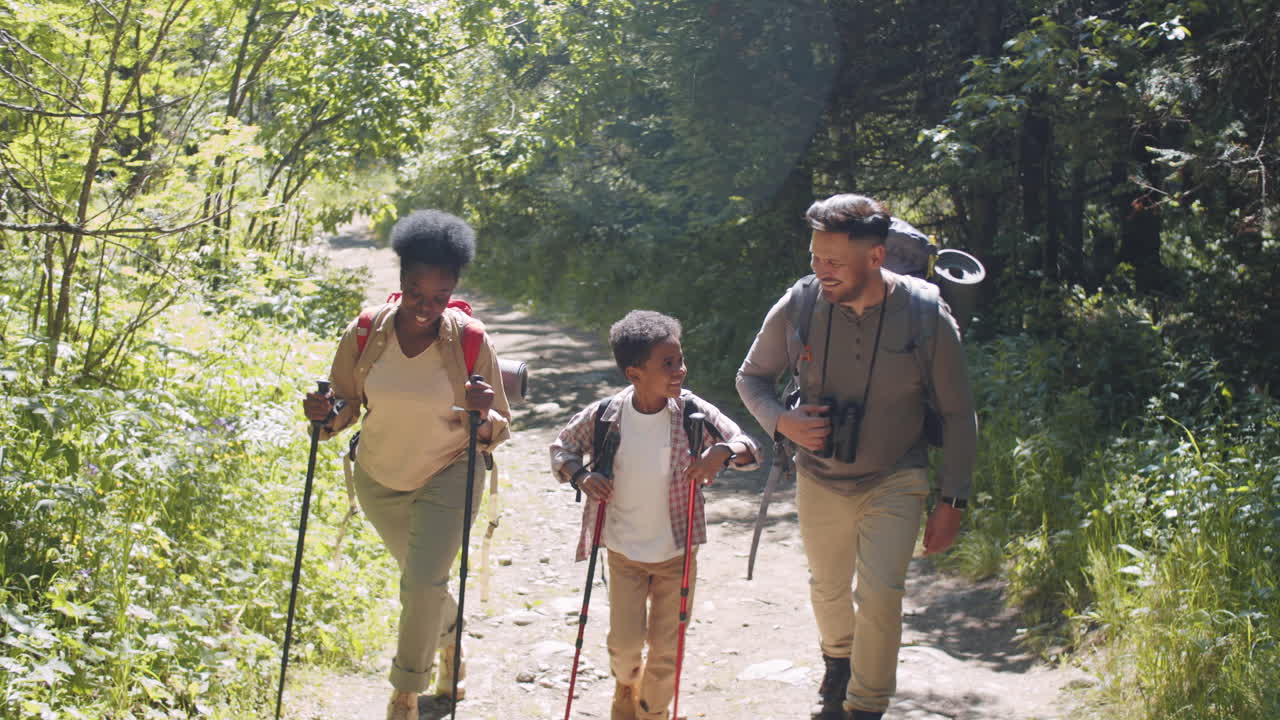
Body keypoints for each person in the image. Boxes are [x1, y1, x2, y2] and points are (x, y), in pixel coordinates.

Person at [735, 194, 978, 720]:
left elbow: (959, 414)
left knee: (881, 595)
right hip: (819, 476)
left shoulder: (925, 312)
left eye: (834, 262)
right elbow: (751, 377)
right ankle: (838, 663)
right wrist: (783, 421)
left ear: (875, 257)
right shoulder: (801, 302)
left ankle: (865, 707)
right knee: (826, 588)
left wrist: (952, 501)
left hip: (897, 473)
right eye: (814, 258)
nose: (821, 271)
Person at [302, 210, 512, 720]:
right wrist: (323, 415)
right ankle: (450, 643)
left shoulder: (469, 339)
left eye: (439, 298)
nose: (427, 307)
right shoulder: (366, 333)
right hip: (379, 477)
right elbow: (345, 406)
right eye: (418, 294)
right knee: (426, 582)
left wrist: (482, 413)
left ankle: (405, 694)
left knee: (421, 583)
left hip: (451, 471)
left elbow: (499, 427)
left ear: (453, 292)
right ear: (401, 282)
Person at [550, 310, 761, 720]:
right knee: (625, 648)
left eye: (680, 360)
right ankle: (626, 684)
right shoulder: (605, 417)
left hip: (676, 555)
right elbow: (561, 448)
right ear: (634, 374)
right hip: (624, 553)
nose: (679, 370)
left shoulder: (694, 414)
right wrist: (581, 476)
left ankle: (653, 711)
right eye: (667, 364)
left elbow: (748, 447)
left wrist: (723, 453)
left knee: (666, 651)